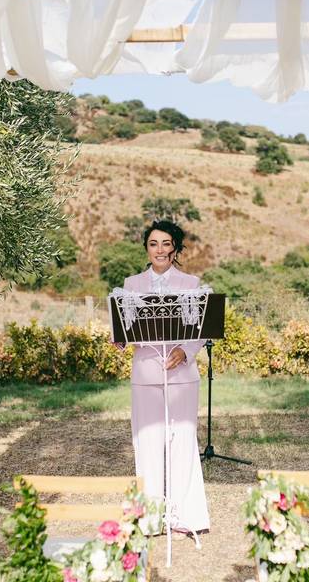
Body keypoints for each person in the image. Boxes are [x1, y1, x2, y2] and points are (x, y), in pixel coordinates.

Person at [121, 219, 210, 535]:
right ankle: (150, 518)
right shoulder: (130, 285)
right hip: (145, 375)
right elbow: (124, 332)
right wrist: (118, 334)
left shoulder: (191, 283)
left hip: (183, 377)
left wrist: (185, 351)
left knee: (183, 441)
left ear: (175, 249)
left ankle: (186, 517)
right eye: (153, 244)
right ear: (147, 248)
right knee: (147, 442)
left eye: (166, 244)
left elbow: (200, 329)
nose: (160, 250)